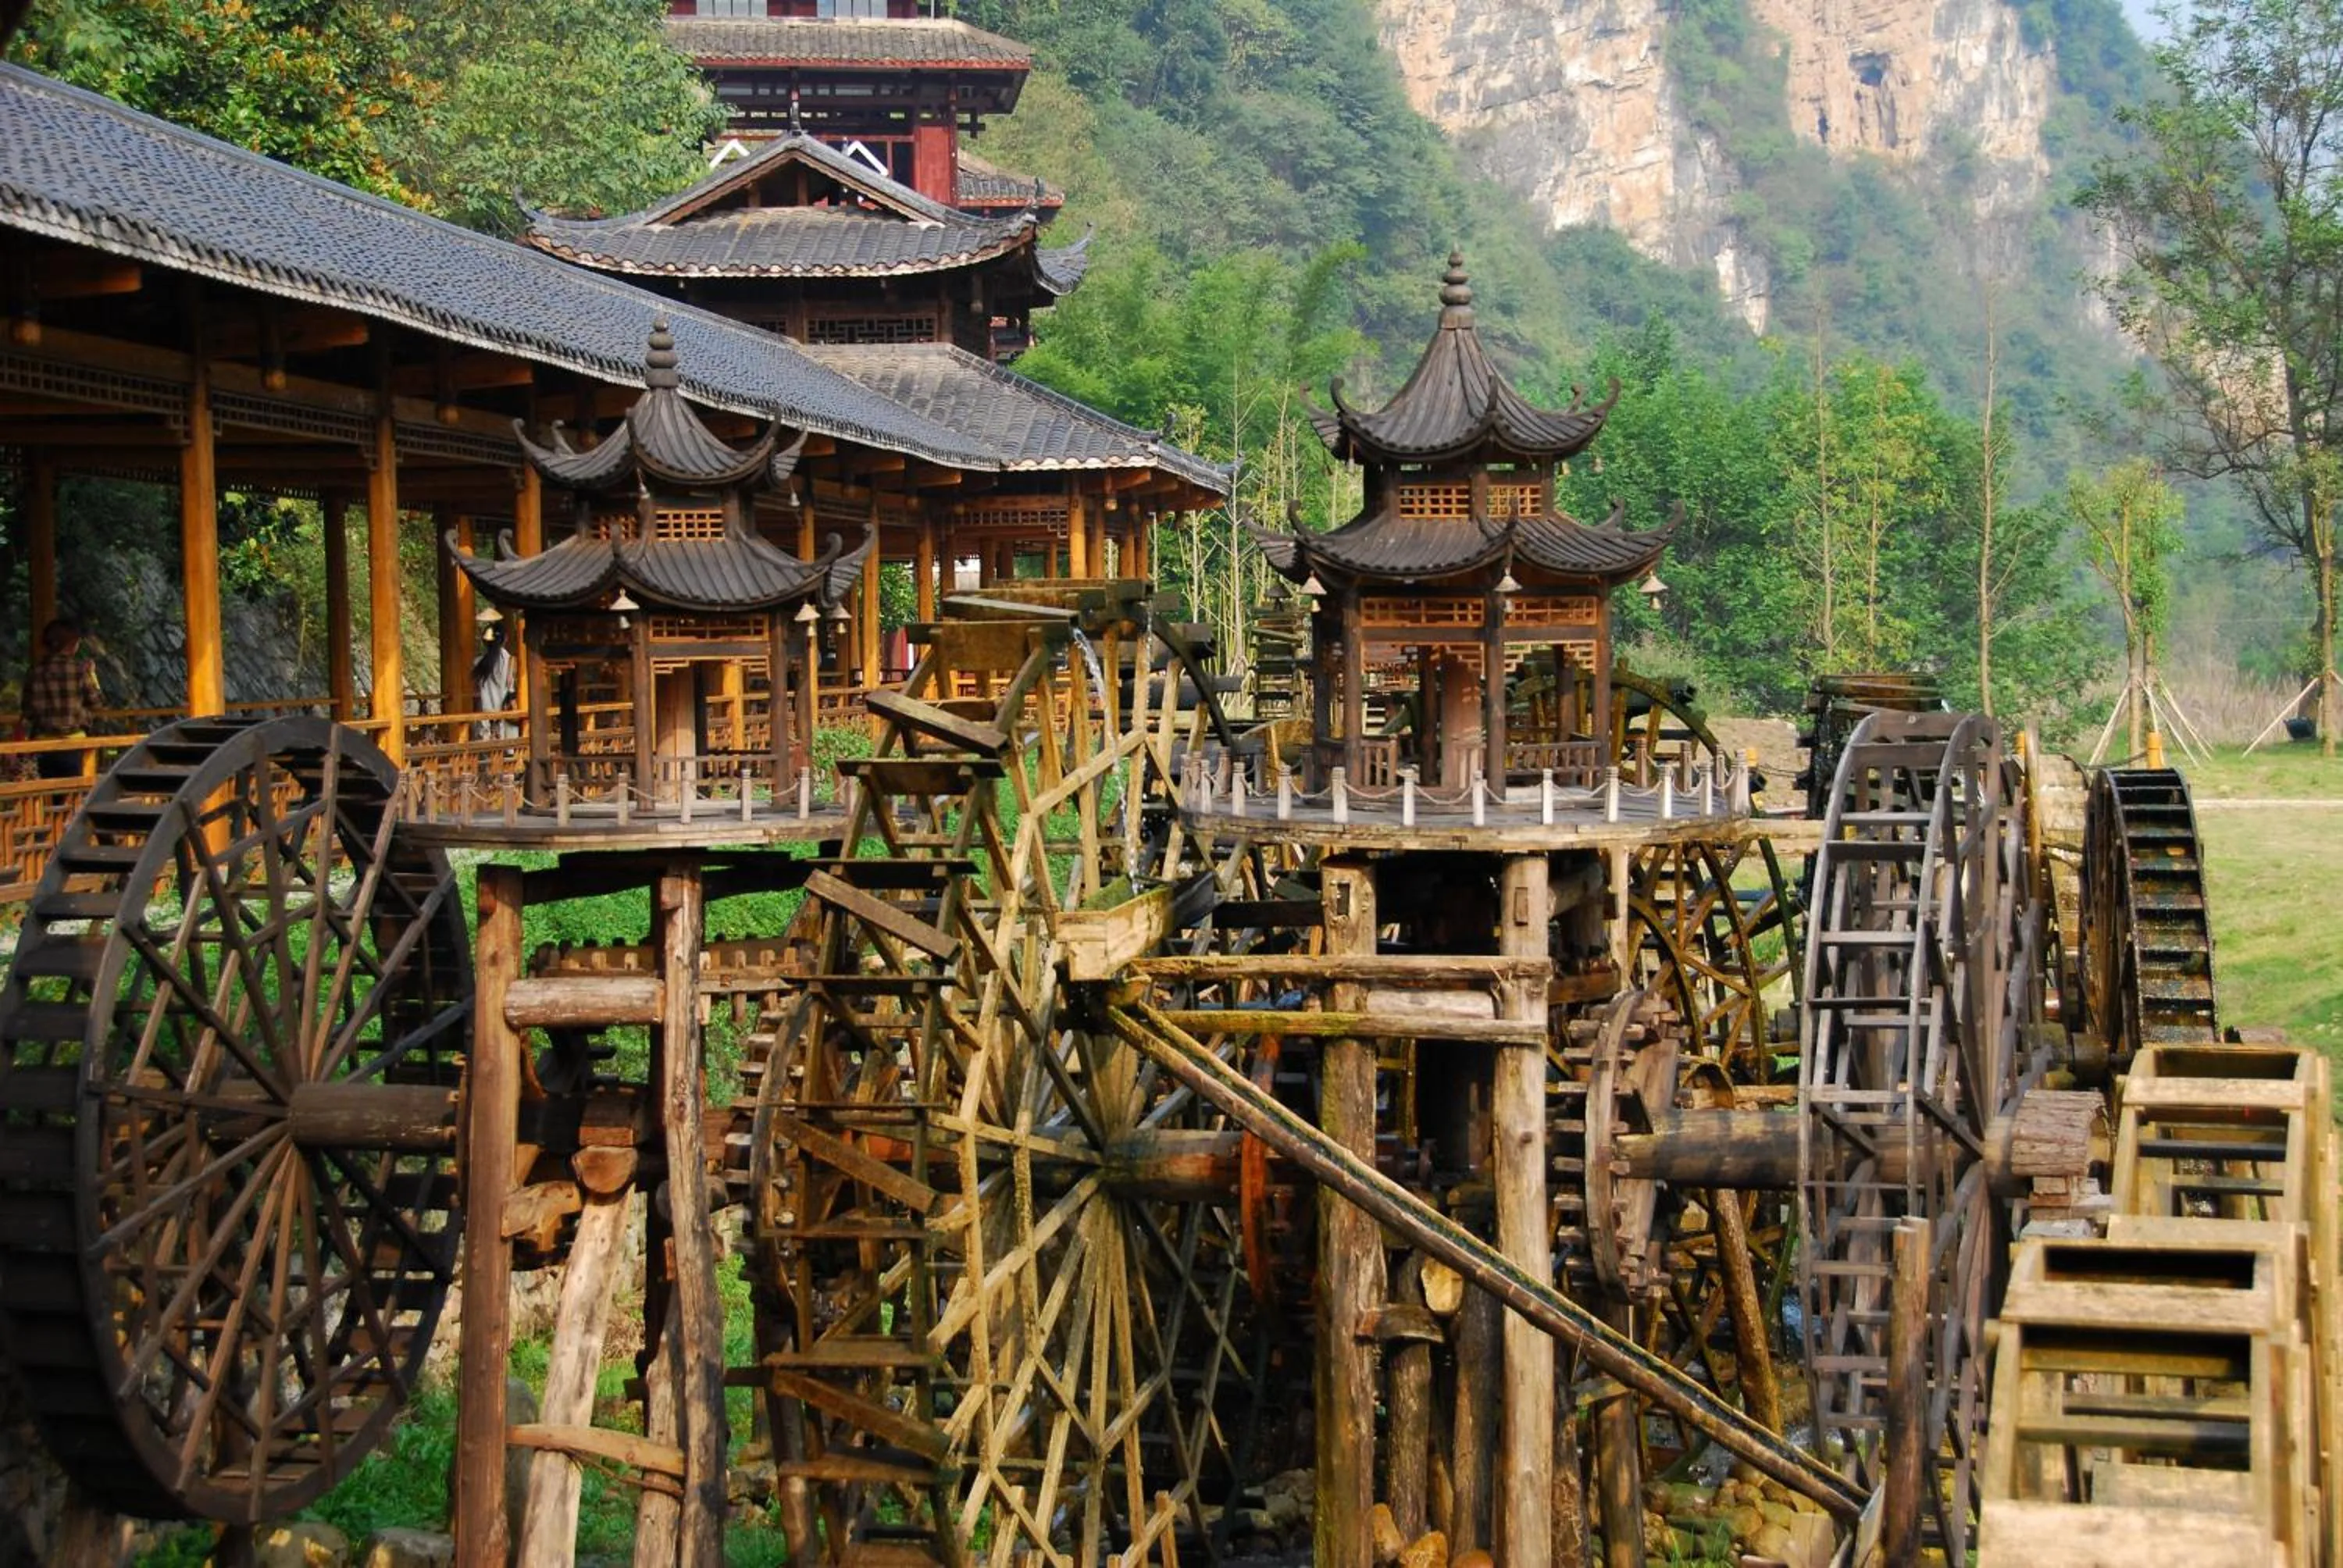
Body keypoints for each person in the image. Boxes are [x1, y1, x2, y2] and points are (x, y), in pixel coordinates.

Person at [20, 615, 102, 780]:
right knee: (76, 793)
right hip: (75, 740)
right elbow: (97, 703)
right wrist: (92, 675)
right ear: (72, 644)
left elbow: (27, 709)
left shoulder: (35, 671)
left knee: (50, 794)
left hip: (44, 743)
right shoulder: (79, 671)